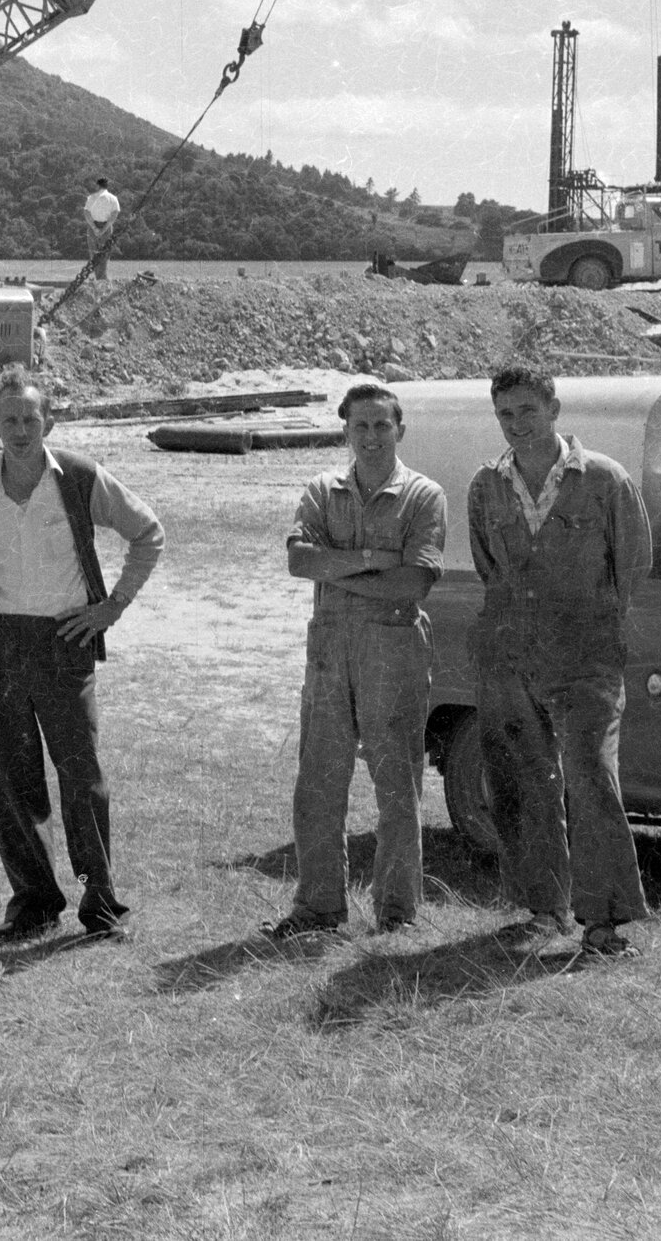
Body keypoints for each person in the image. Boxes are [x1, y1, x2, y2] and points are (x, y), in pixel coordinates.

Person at [0, 364, 163, 942]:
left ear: (48, 420)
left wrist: (112, 607)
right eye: (10, 420)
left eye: (32, 418)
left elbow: (147, 532)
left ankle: (100, 903)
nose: (22, 430)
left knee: (82, 775)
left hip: (65, 643)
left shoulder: (79, 477)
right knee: (13, 776)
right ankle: (32, 901)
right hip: (3, 644)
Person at [466, 363, 653, 961]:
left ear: (554, 409)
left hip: (587, 663)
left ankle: (604, 920)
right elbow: (489, 569)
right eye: (505, 414)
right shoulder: (485, 486)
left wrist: (590, 631)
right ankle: (543, 906)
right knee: (524, 781)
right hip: (513, 658)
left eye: (527, 410)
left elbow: (632, 569)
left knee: (591, 779)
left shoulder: (604, 479)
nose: (517, 425)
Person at [265, 383, 446, 940]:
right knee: (319, 777)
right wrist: (372, 561)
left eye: (381, 426)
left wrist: (336, 568)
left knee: (396, 781)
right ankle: (318, 907)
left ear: (400, 430)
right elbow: (299, 561)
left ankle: (397, 913)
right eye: (359, 426)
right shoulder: (322, 488)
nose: (370, 437)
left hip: (393, 648)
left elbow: (414, 579)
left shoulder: (422, 495)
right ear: (345, 430)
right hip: (329, 649)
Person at [83, 177, 121, 280]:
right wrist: (104, 229)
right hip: (107, 226)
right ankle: (102, 278)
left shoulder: (91, 197)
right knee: (104, 255)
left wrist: (94, 228)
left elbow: (86, 213)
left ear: (97, 185)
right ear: (107, 185)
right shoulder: (113, 198)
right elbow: (114, 215)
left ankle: (99, 278)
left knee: (93, 254)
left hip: (92, 226)